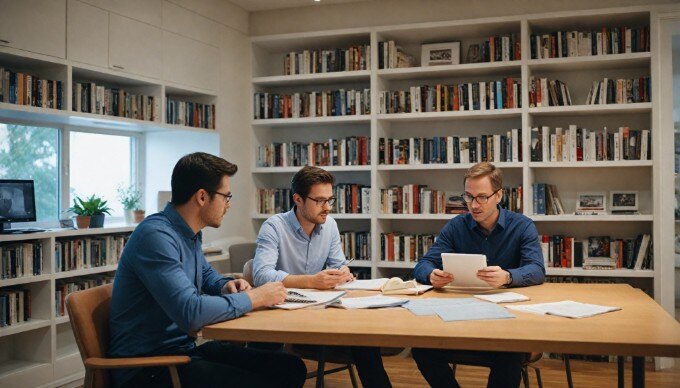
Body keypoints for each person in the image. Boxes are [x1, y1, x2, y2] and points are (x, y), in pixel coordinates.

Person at [108, 152, 306, 388]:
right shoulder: (155, 236)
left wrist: (225, 285)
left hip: (182, 352)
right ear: (202, 196)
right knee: (261, 382)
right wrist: (253, 297)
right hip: (148, 368)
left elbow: (205, 274)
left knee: (290, 368)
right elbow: (190, 312)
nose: (229, 204)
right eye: (226, 196)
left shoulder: (188, 233)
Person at [253, 165, 393, 388]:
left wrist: (343, 274)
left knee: (365, 339)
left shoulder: (330, 225)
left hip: (318, 313)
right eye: (320, 201)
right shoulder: (274, 227)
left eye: (330, 200)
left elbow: (339, 264)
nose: (327, 208)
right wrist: (311, 281)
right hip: (279, 315)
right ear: (298, 199)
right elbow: (261, 275)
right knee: (263, 358)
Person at [411, 162, 545, 388]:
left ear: (499, 195)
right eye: (469, 197)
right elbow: (423, 264)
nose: (474, 205)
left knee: (509, 355)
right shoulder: (456, 226)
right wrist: (431, 274)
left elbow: (537, 270)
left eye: (482, 197)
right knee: (422, 350)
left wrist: (508, 277)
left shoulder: (522, 226)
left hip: (506, 325)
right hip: (460, 321)